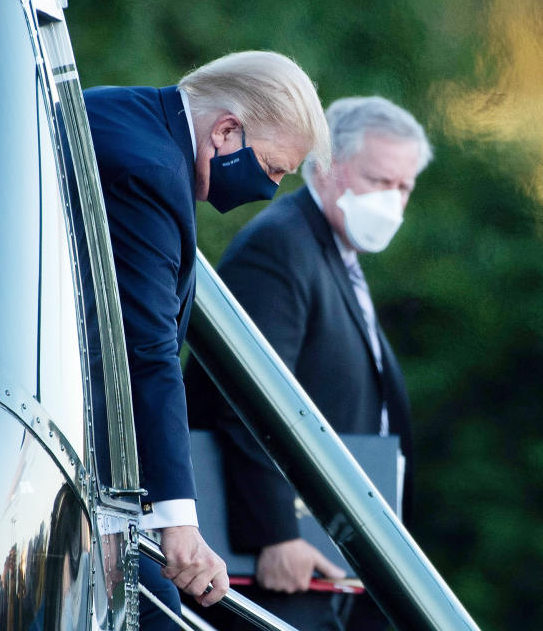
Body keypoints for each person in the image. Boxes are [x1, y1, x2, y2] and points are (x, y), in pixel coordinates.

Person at [83, 50, 331, 628]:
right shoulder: (150, 171)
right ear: (226, 130)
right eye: (271, 169)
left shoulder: (126, 114)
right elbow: (146, 353)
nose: (269, 192)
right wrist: (179, 524)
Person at [185, 96, 432, 630]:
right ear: (326, 164)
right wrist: (276, 534)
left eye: (404, 188)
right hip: (279, 566)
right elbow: (248, 397)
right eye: (378, 181)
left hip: (331, 561)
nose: (392, 201)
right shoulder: (279, 246)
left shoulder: (332, 256)